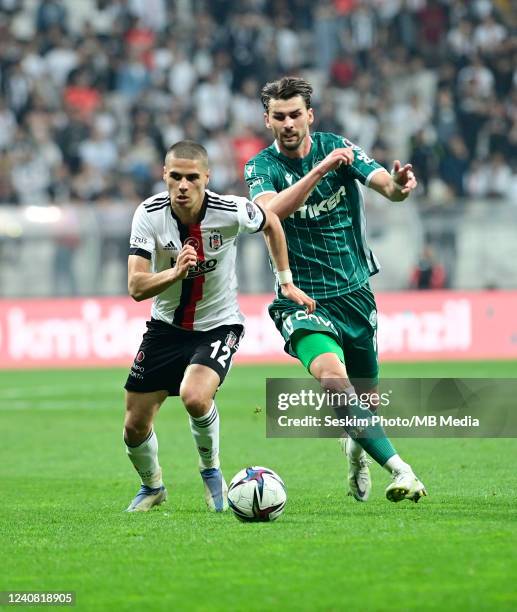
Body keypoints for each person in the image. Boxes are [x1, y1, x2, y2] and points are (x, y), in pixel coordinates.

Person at [245, 76, 427, 503]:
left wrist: (399, 187)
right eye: (279, 116)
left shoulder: (339, 146)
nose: (288, 123)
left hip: (354, 291)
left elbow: (386, 184)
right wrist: (321, 170)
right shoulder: (260, 167)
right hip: (301, 296)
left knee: (365, 400)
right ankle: (402, 470)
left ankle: (355, 453)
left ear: (310, 115)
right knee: (332, 379)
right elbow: (270, 213)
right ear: (267, 121)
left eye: (295, 115)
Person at [123, 139, 315, 513]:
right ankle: (153, 486)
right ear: (164, 175)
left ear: (206, 178)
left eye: (191, 177)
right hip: (165, 328)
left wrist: (286, 279)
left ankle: (211, 471)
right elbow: (135, 287)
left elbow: (271, 221)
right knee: (133, 426)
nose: (182, 185)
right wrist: (176, 272)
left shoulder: (231, 210)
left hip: (219, 324)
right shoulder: (148, 214)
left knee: (195, 396)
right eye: (175, 176)